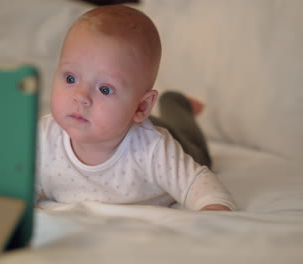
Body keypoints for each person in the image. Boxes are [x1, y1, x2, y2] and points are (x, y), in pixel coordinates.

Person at [36, 5, 236, 211]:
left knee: (198, 152)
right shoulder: (43, 138)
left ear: (142, 106)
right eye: (70, 78)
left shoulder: (154, 149)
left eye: (105, 89)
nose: (80, 97)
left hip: (164, 135)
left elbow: (201, 186)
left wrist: (213, 211)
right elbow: (16, 188)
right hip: (124, 121)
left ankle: (176, 103)